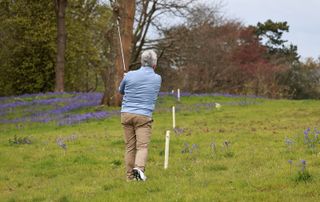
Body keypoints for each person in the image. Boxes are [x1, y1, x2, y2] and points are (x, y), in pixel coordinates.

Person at [119, 50, 162, 181]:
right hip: (143, 116)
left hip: (126, 114)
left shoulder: (130, 75)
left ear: (142, 62)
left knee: (130, 147)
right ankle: (139, 169)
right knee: (142, 146)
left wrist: (126, 77)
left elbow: (121, 91)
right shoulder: (157, 78)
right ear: (154, 64)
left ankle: (130, 177)